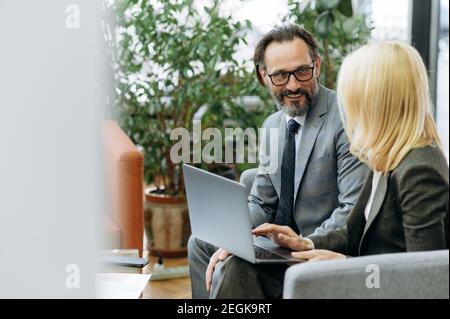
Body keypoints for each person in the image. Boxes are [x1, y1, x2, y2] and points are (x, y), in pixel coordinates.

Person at [187, 23, 368, 299]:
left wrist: (302, 242)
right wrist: (233, 235)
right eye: (281, 75)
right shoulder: (272, 125)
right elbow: (262, 201)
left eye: (302, 71)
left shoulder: (345, 118)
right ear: (264, 77)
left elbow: (351, 211)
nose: (293, 85)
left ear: (316, 65)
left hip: (318, 248)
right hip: (278, 248)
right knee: (201, 242)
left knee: (234, 266)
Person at [254, 41, 449, 266]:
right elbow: (359, 229)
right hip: (358, 275)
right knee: (241, 267)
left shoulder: (418, 169)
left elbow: (425, 277)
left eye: (351, 99)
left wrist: (344, 265)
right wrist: (307, 243)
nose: (345, 109)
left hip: (364, 284)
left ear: (375, 103)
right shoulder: (387, 156)